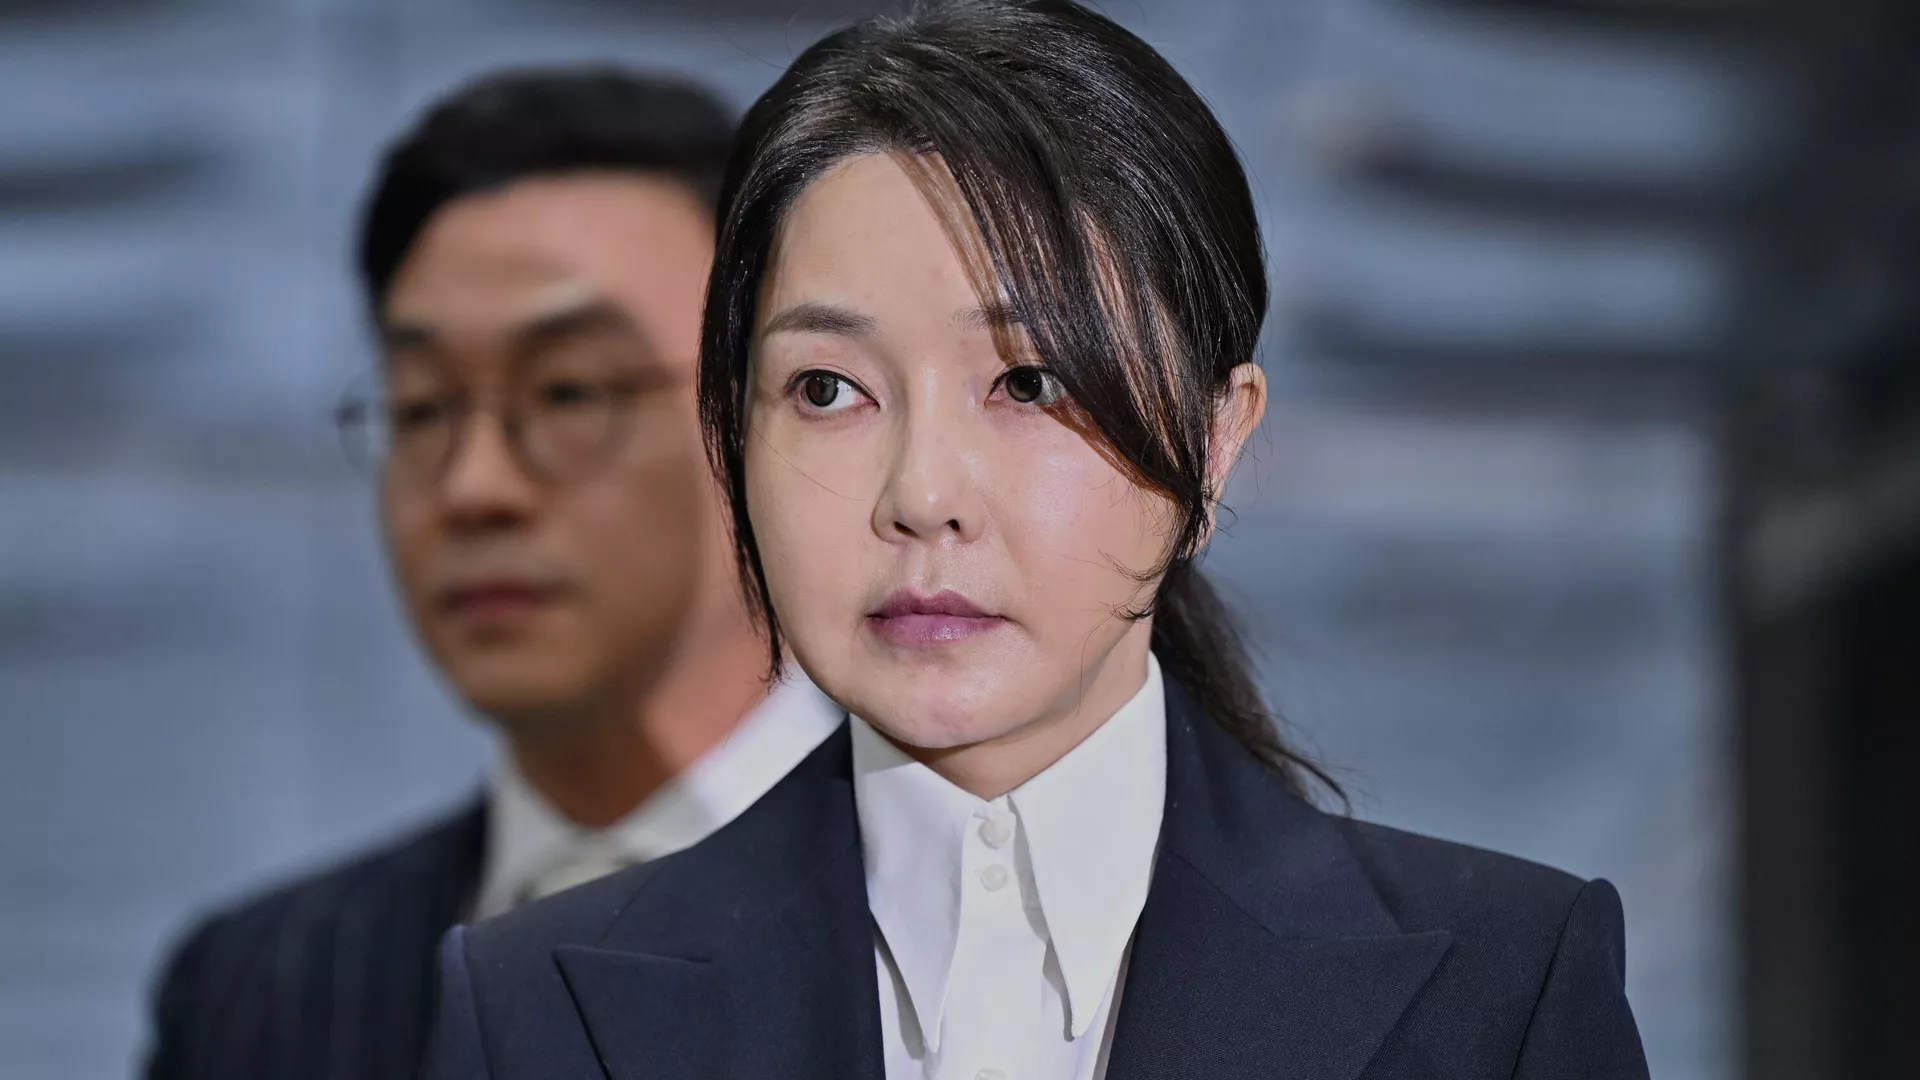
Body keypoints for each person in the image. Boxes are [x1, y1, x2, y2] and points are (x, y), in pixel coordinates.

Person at [420, 3, 1652, 1077]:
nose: (922, 494)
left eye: (1030, 383)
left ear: (1215, 441)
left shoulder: (1501, 989)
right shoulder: (537, 1014)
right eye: (828, 389)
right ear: (731, 435)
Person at [143, 68, 844, 1080]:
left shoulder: (976, 910)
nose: (475, 487)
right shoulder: (260, 990)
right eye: (423, 407)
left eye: (569, 392)